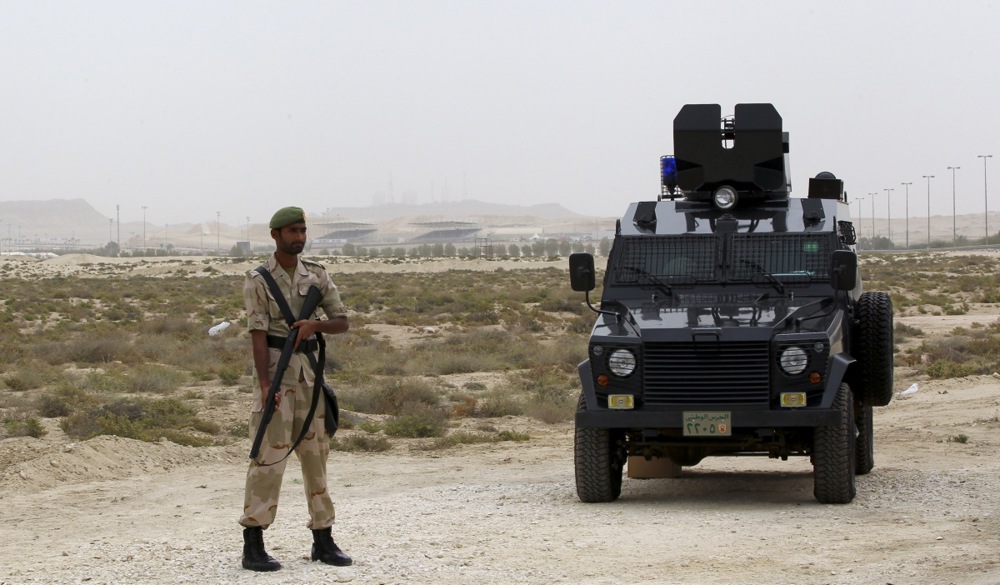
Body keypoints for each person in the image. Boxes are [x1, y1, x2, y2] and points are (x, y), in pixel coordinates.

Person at [238, 206, 352, 571]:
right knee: (267, 460)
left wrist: (313, 327)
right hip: (276, 371)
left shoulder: (317, 275)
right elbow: (258, 335)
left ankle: (323, 539)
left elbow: (341, 322)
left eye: (302, 230)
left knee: (316, 456)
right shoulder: (258, 279)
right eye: (292, 231)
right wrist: (265, 385)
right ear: (275, 235)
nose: (299, 237)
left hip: (309, 376)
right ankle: (253, 544)